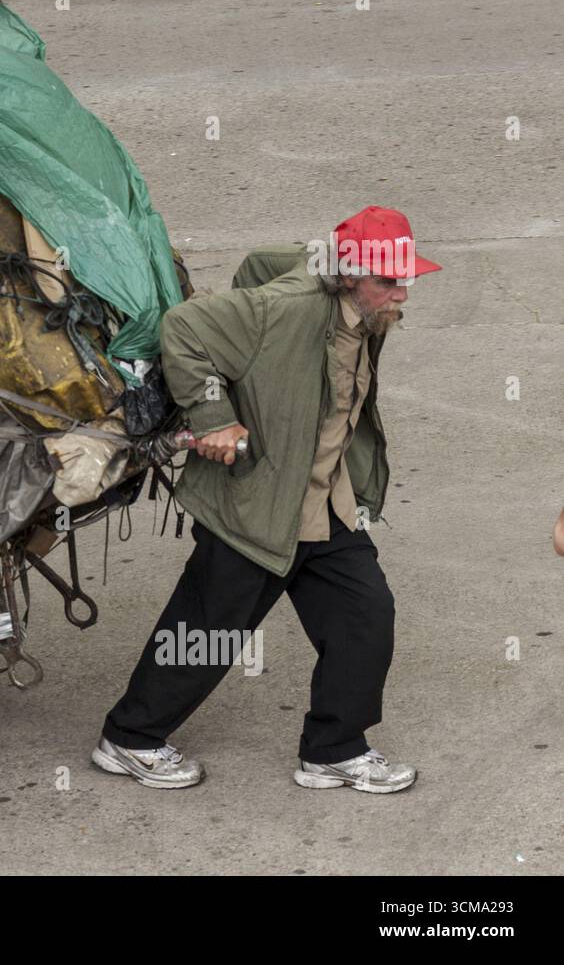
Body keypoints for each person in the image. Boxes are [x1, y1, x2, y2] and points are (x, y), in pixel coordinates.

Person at [93, 206, 441, 793]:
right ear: (349, 274)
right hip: (255, 503)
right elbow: (183, 327)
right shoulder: (286, 308)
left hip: (325, 502)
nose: (401, 292)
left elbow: (261, 262)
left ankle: (334, 749)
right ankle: (130, 739)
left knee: (366, 616)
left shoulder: (361, 312)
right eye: (388, 280)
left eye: (405, 277)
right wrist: (216, 414)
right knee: (210, 632)